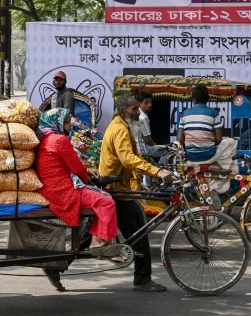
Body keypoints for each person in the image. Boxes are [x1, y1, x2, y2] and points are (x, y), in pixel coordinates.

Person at [35, 108, 119, 290]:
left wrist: (85, 175)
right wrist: (88, 179)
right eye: (66, 123)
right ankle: (99, 243)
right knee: (106, 200)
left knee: (96, 201)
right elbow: (77, 169)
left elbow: (72, 166)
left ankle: (82, 249)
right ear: (56, 123)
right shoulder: (59, 140)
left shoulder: (46, 140)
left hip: (52, 189)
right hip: (62, 191)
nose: (69, 126)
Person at [99, 94, 172, 293]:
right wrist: (157, 171)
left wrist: (138, 181)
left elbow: (132, 159)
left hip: (120, 187)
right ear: (123, 111)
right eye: (133, 109)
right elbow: (128, 159)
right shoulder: (120, 129)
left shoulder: (121, 126)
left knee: (134, 232)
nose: (137, 112)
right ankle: (142, 280)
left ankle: (60, 265)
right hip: (117, 190)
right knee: (140, 233)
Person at [178, 85, 222, 163]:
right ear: (207, 99)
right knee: (230, 142)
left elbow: (180, 139)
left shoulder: (184, 114)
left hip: (190, 155)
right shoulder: (214, 113)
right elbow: (219, 139)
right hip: (209, 154)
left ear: (193, 100)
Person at [133, 91, 168, 161]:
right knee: (167, 150)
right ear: (139, 104)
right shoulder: (143, 117)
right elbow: (148, 140)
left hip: (135, 148)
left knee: (151, 160)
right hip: (143, 150)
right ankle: (160, 169)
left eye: (150, 102)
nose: (150, 105)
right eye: (146, 103)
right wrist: (155, 145)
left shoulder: (134, 114)